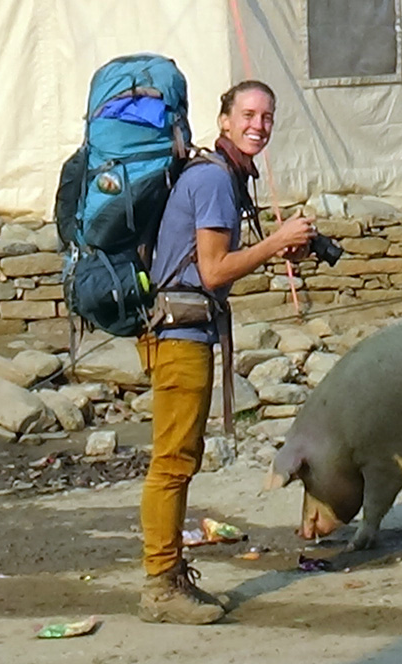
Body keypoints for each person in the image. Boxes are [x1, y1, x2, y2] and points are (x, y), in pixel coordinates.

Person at [135, 80, 314, 625]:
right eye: (249, 115)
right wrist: (276, 242)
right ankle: (160, 587)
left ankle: (167, 576)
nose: (259, 125)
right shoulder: (214, 179)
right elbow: (213, 270)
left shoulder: (219, 175)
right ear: (224, 121)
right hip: (180, 335)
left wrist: (276, 243)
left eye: (268, 116)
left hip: (183, 330)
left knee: (177, 458)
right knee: (172, 462)